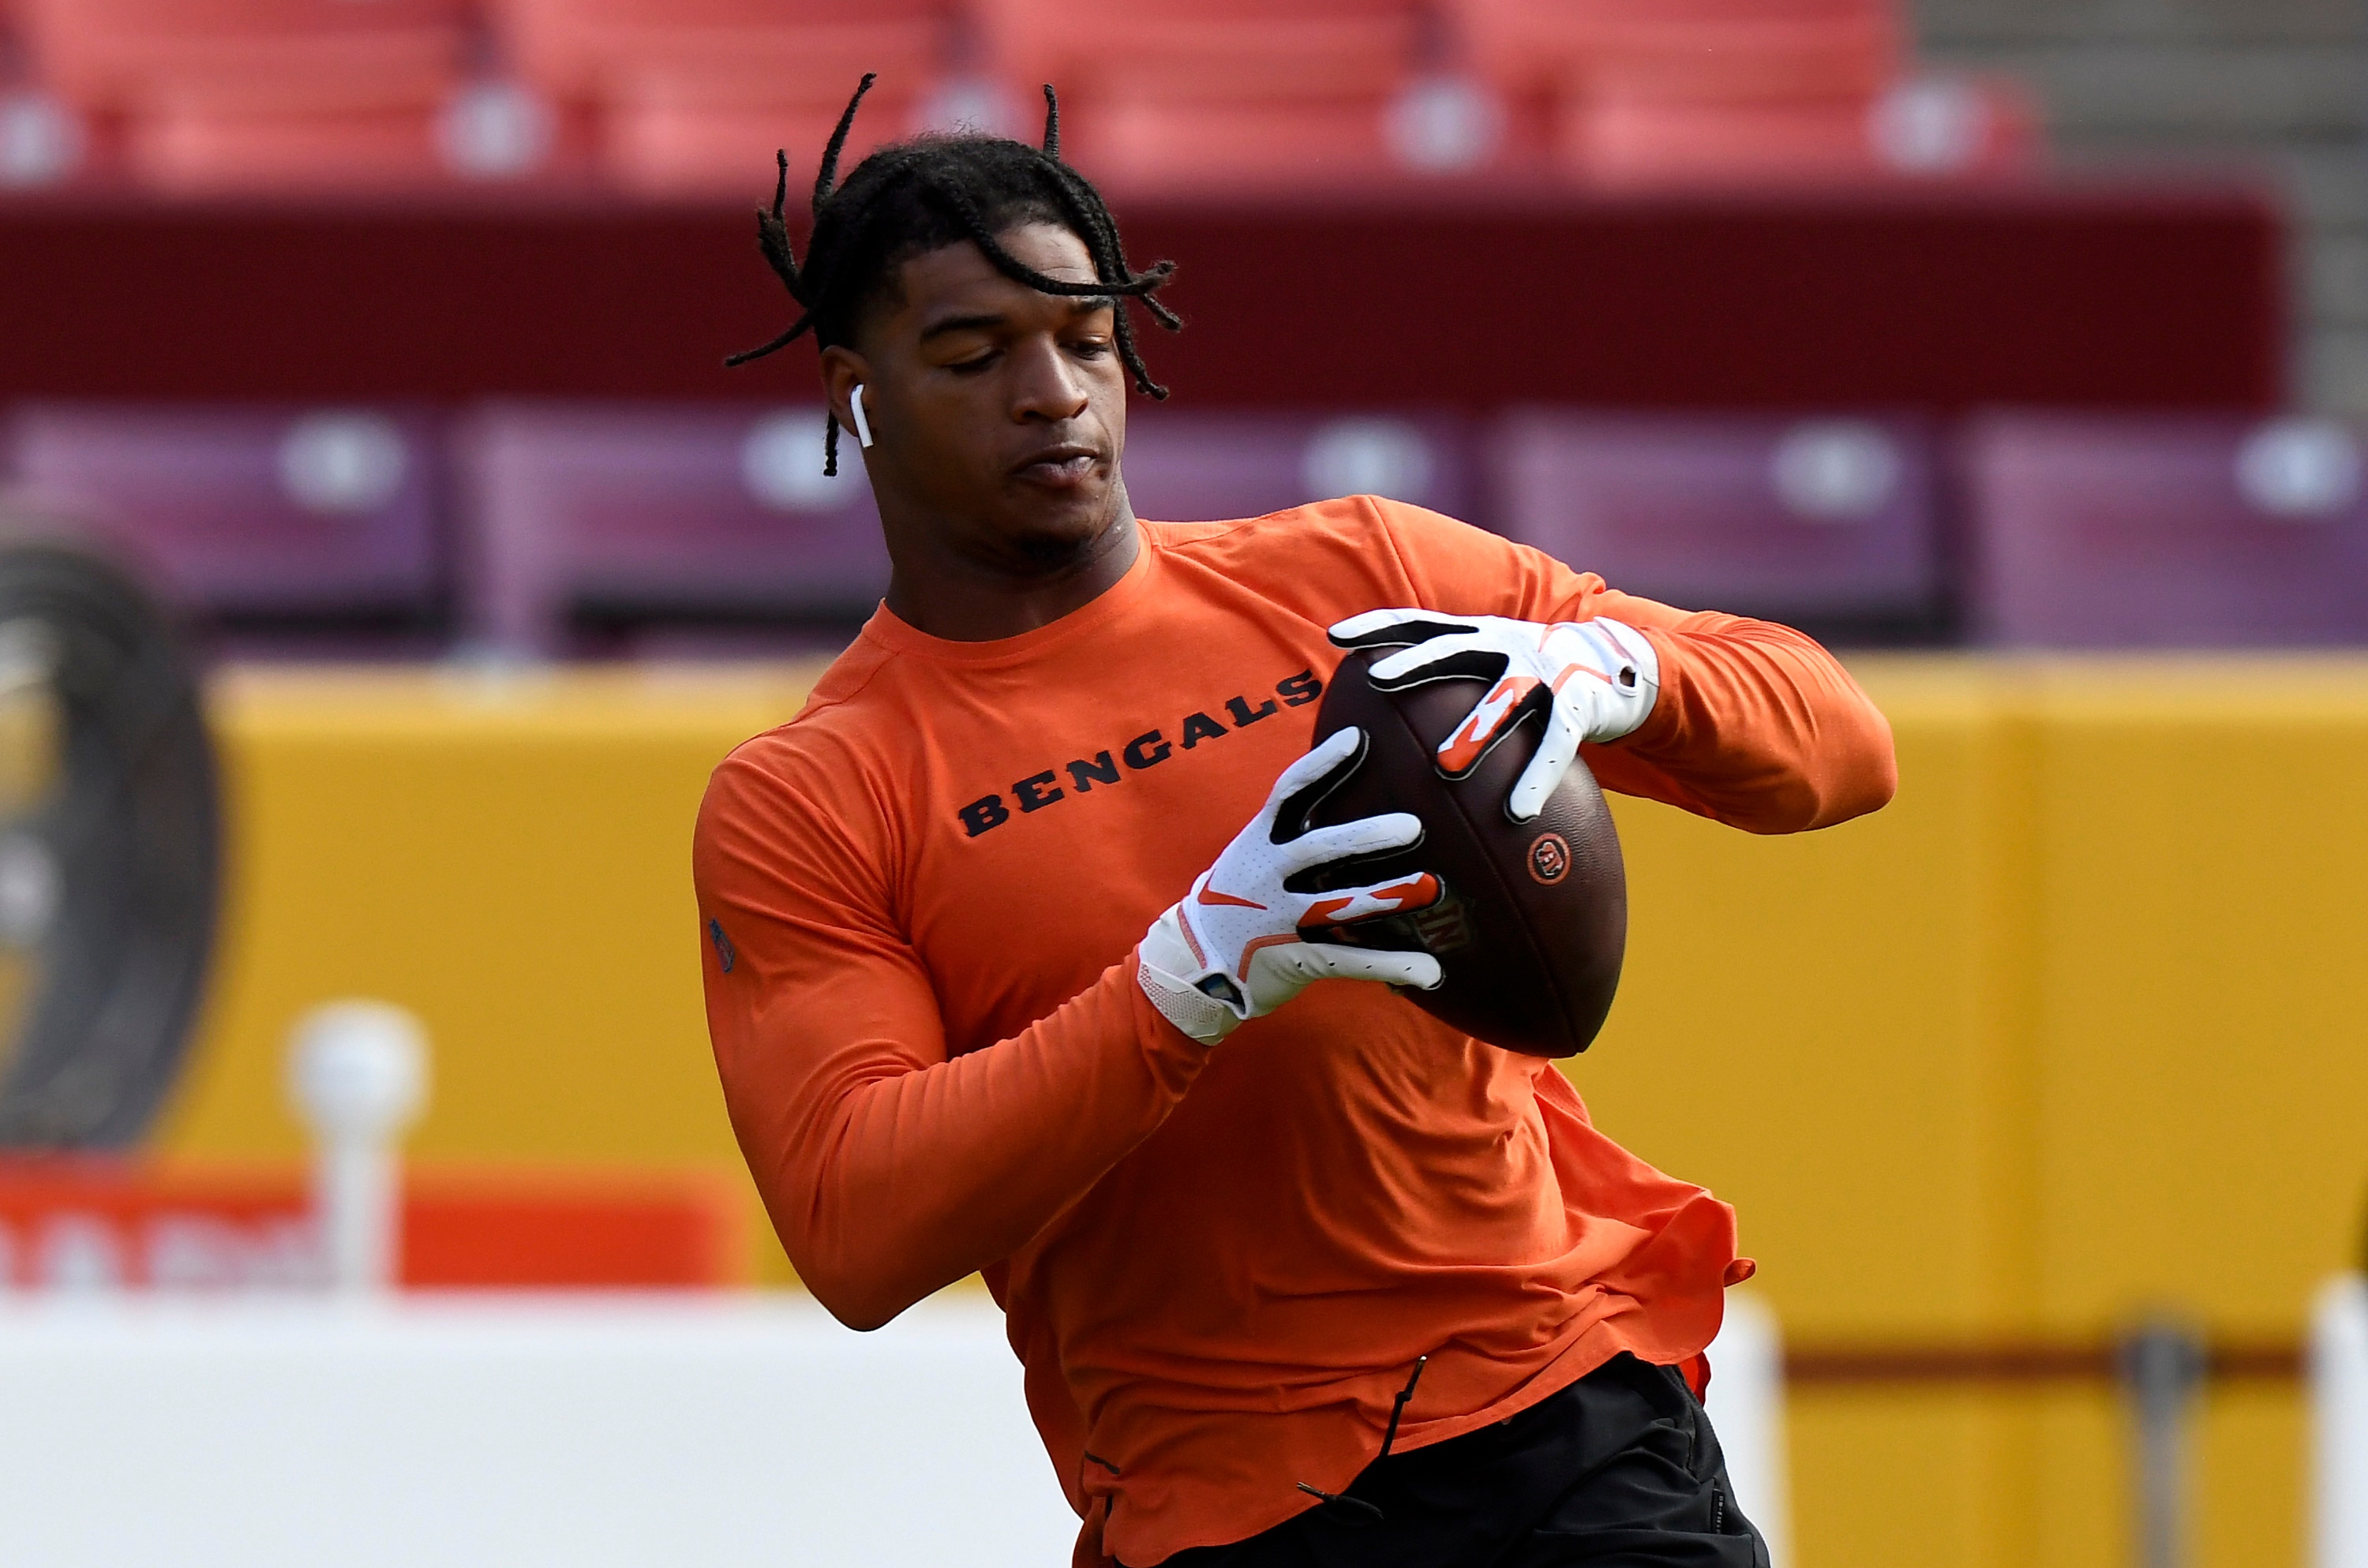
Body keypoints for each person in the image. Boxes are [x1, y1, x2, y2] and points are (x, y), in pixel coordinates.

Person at [693, 77, 1896, 1568]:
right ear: (850, 393)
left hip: (1561, 1410)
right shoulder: (812, 790)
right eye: (972, 353)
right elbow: (856, 1228)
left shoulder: (1360, 576)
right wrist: (1189, 978)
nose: (1054, 393)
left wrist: (1622, 676)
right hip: (1226, 1508)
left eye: (1085, 339)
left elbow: (1845, 741)